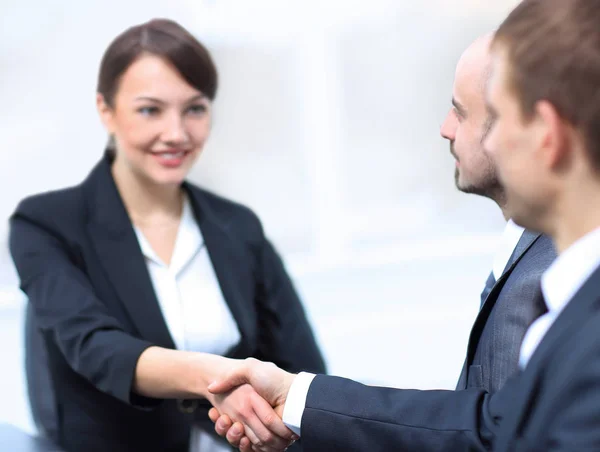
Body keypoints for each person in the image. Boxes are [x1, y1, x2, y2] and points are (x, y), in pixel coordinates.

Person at [207, 33, 557, 451]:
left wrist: (298, 400)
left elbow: (491, 432)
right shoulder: (529, 245)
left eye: (460, 114)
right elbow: (466, 422)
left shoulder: (565, 267)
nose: (445, 129)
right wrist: (297, 410)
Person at [9, 18, 325, 452]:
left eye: (194, 108)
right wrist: (216, 378)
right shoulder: (46, 224)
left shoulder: (237, 226)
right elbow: (96, 347)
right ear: (106, 110)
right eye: (150, 109)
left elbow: (303, 366)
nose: (176, 133)